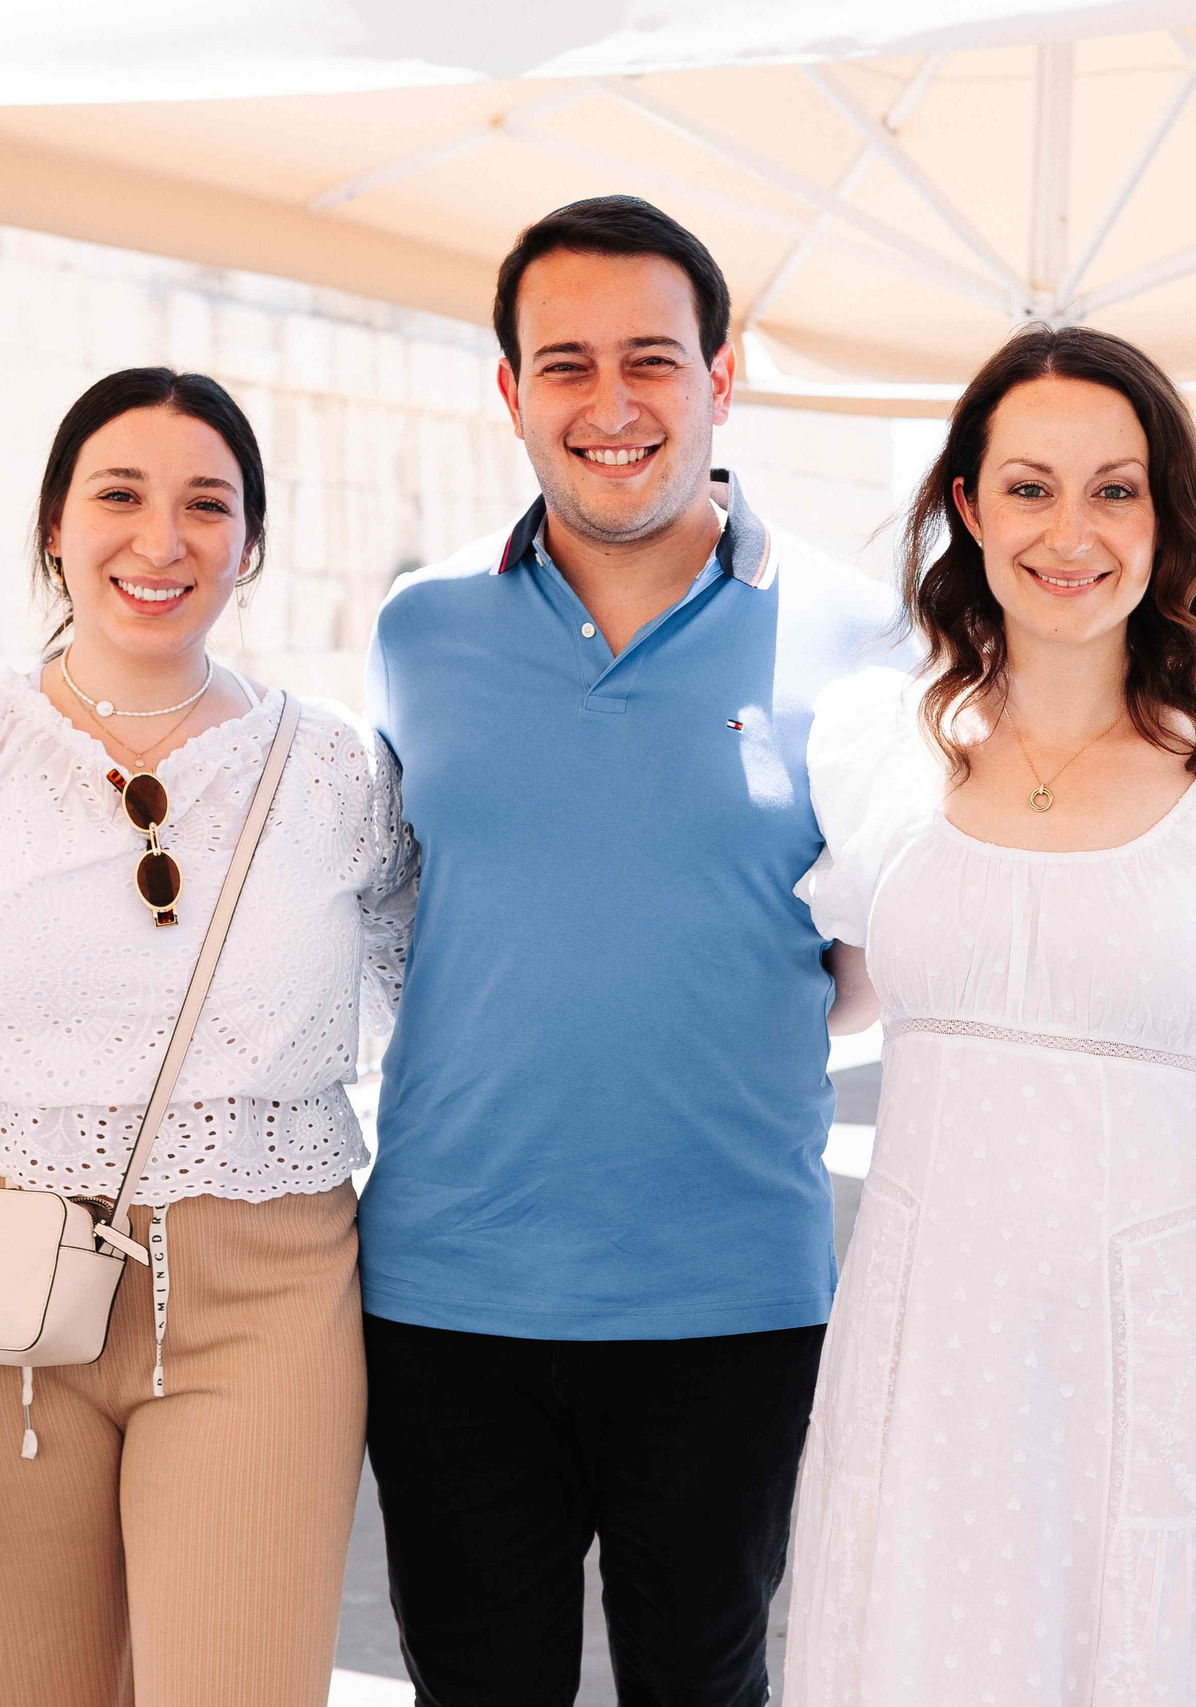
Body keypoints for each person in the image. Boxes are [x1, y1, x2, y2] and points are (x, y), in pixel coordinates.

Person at [0, 367, 417, 1706]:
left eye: (207, 504)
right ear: (55, 525)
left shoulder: (344, 771)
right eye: (118, 495)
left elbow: (453, 1019)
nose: (160, 540)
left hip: (268, 1299)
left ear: (253, 544)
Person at [361, 196, 898, 1705]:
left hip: (732, 1302)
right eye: (566, 364)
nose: (610, 405)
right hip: (448, 1295)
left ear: (723, 375)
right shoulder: (420, 630)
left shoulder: (862, 640)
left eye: (651, 359)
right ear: (511, 392)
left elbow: (867, 957)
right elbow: (416, 909)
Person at [781, 324, 1196, 1704]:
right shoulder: (879, 743)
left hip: (1156, 1325)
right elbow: (856, 998)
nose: (1071, 531)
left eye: (1116, 488)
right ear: (969, 508)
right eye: (1029, 487)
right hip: (925, 1328)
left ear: (1168, 519)